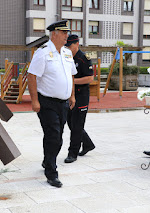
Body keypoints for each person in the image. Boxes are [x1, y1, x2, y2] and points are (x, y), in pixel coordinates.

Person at [27, 20, 77, 188]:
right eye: (64, 33)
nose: (66, 35)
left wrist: (72, 96)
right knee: (54, 136)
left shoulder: (67, 53)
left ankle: (47, 160)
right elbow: (32, 76)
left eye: (67, 33)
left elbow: (71, 76)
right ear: (54, 34)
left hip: (63, 102)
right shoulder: (42, 53)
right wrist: (34, 100)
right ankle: (51, 172)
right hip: (47, 102)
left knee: (56, 137)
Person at [64, 35, 96, 163]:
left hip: (81, 96)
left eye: (70, 46)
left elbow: (90, 78)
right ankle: (88, 144)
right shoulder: (67, 57)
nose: (68, 48)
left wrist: (72, 81)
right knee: (71, 123)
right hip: (69, 95)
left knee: (77, 125)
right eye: (66, 46)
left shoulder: (83, 59)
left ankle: (73, 153)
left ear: (77, 44)